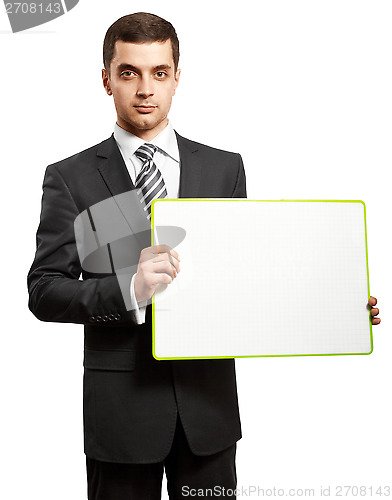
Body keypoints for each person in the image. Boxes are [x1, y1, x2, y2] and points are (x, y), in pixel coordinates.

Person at [27, 11, 381, 500]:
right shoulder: (71, 177)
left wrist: (336, 305)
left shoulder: (223, 169)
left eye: (159, 73)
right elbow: (45, 289)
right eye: (129, 73)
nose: (145, 88)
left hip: (207, 412)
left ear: (177, 79)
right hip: (121, 414)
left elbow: (246, 280)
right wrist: (130, 288)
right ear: (106, 80)